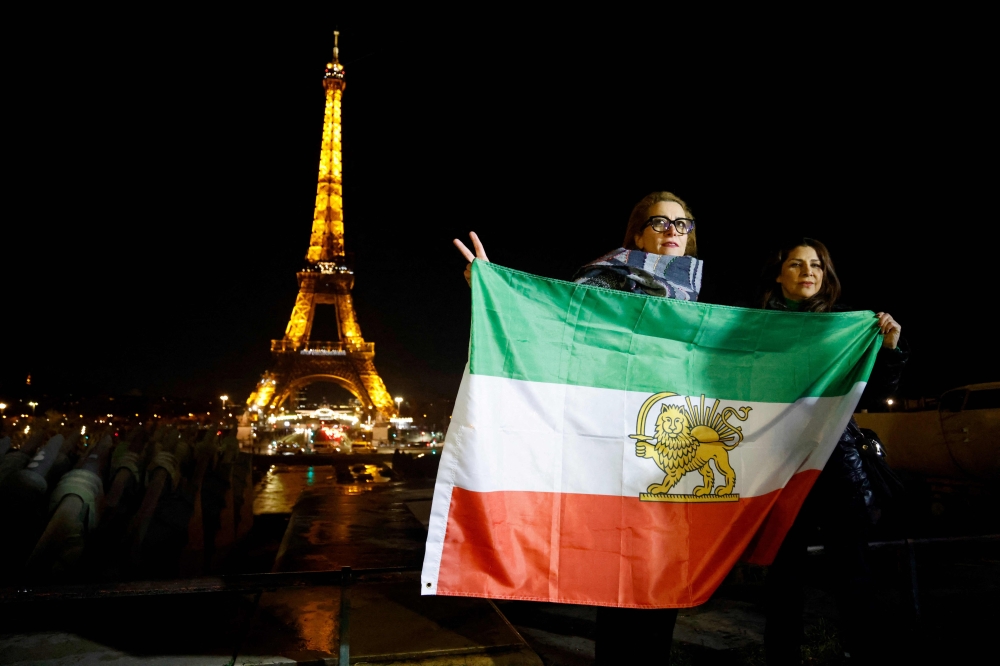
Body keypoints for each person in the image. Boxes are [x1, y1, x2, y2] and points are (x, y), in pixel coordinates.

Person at [454, 191, 701, 665]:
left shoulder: (694, 303)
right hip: (612, 451)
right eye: (661, 222)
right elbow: (556, 328)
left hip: (669, 457)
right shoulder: (602, 285)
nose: (673, 231)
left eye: (683, 224)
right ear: (637, 234)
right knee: (620, 586)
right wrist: (492, 288)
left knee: (663, 583)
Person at [755, 238, 906, 665]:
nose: (808, 272)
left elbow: (874, 394)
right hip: (780, 466)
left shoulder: (845, 329)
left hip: (836, 466)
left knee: (853, 575)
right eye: (797, 264)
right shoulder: (755, 330)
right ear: (779, 273)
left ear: (826, 276)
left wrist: (889, 347)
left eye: (817, 266)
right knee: (784, 579)